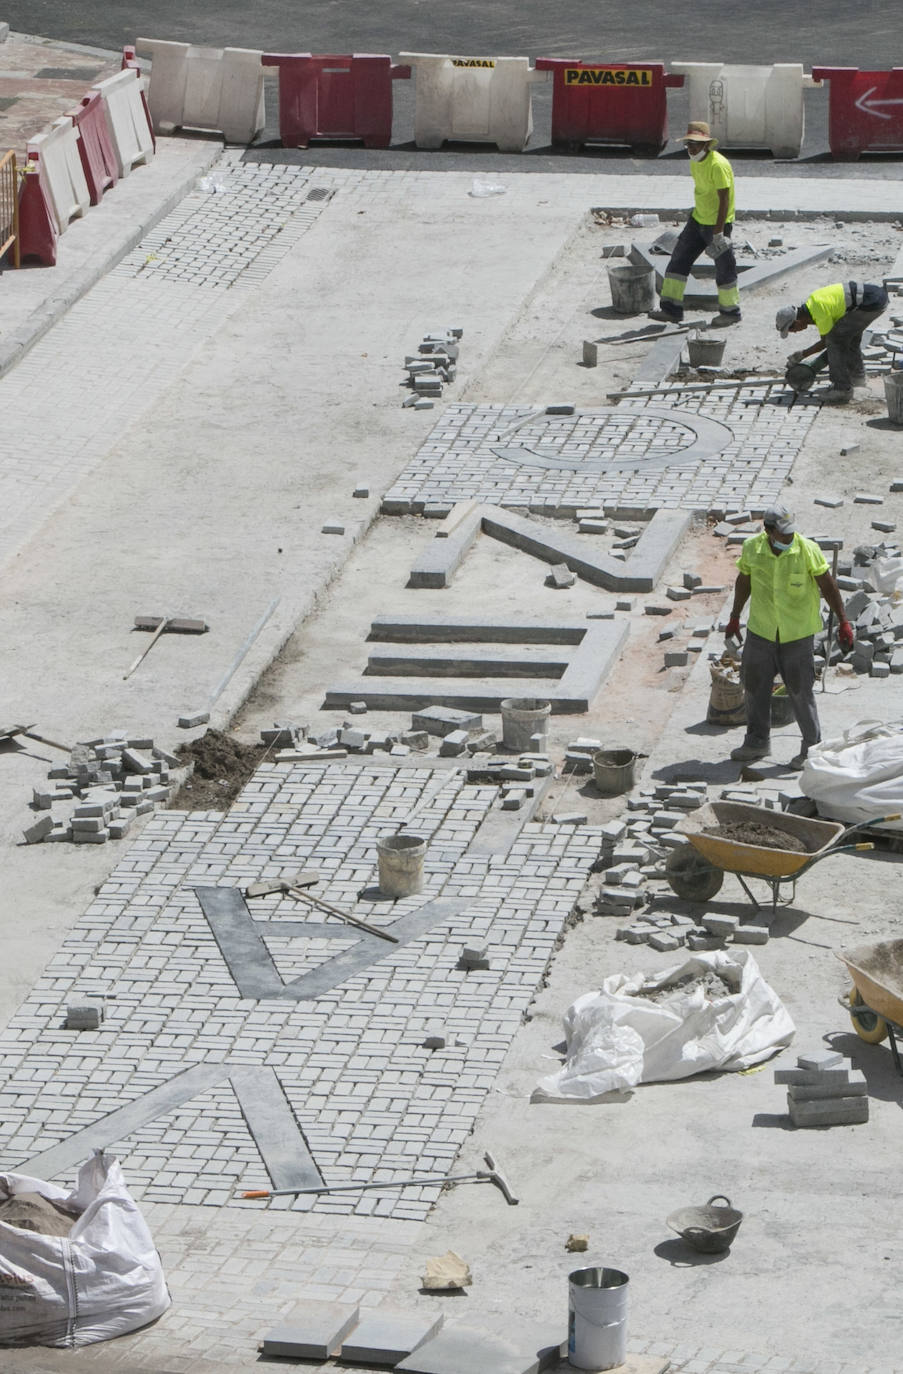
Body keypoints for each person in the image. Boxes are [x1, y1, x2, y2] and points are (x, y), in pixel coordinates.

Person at [724, 505, 854, 768]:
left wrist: (843, 621)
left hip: (797, 634)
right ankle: (757, 742)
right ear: (768, 531)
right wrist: (735, 617)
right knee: (754, 687)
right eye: (783, 534)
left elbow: (828, 585)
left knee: (800, 690)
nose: (788, 538)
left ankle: (811, 748)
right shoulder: (752, 548)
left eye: (790, 532)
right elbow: (744, 581)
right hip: (761, 631)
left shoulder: (807, 550)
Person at [649, 120, 741, 328]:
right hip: (698, 219)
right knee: (679, 260)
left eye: (695, 144)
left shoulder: (718, 165)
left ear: (707, 145)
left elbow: (724, 199)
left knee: (725, 267)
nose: (691, 149)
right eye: (688, 144)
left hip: (717, 224)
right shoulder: (695, 161)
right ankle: (670, 309)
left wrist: (718, 233)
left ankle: (731, 312)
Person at [776, 280, 889, 404]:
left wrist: (802, 355)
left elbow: (826, 342)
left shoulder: (818, 310)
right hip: (873, 299)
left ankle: (841, 389)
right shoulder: (812, 305)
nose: (795, 332)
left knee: (835, 340)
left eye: (792, 329)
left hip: (870, 302)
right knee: (849, 339)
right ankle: (858, 380)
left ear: (796, 320)